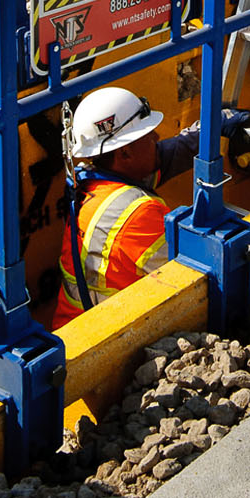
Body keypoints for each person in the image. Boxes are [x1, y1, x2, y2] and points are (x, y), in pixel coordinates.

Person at [52, 86, 199, 327]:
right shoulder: (137, 214)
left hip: (72, 329)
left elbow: (162, 161)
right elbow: (192, 277)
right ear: (126, 154)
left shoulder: (88, 180)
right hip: (103, 345)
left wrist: (201, 134)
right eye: (147, 134)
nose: (157, 137)